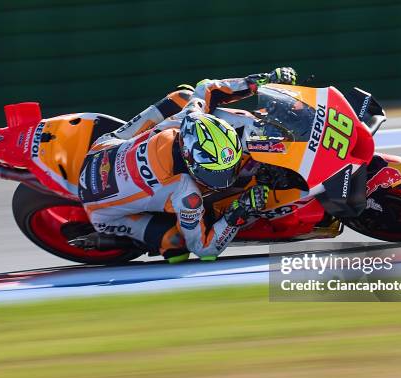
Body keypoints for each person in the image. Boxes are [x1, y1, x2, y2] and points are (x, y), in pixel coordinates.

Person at [70, 67, 297, 262]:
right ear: (191, 161)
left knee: (183, 96)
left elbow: (206, 87)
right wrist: (239, 212)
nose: (225, 178)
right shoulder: (186, 195)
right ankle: (114, 239)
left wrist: (259, 82)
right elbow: (205, 249)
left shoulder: (189, 116)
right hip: (101, 208)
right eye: (216, 174)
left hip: (104, 148)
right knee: (177, 245)